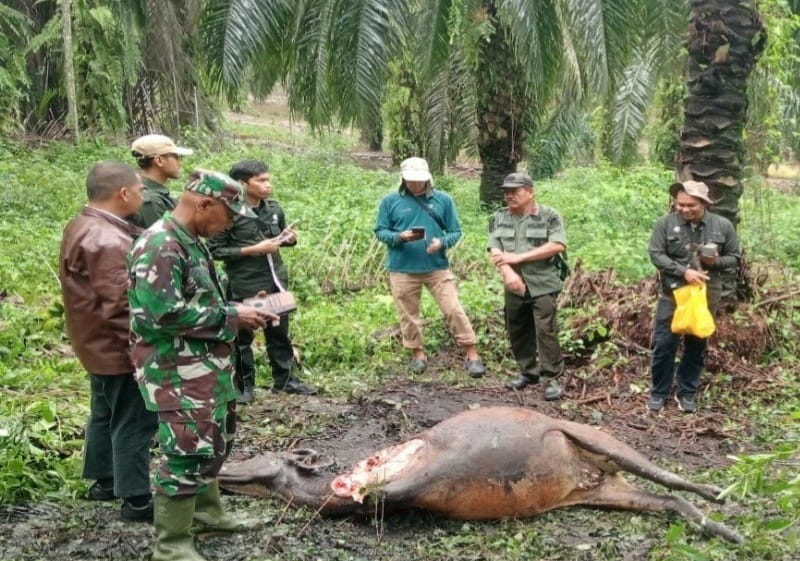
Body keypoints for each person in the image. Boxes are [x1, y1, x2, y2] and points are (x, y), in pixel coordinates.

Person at [128, 169, 274, 561]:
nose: (229, 226)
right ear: (204, 205)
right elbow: (160, 314)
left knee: (213, 442)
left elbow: (197, 300)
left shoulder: (191, 241)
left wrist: (242, 308)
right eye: (228, 217)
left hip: (206, 367)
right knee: (185, 451)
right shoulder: (160, 244)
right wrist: (232, 316)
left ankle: (207, 513)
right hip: (176, 370)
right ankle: (171, 543)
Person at [59, 161, 157, 522]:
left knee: (104, 412)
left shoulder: (82, 224)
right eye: (141, 190)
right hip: (116, 348)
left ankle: (105, 481)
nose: (144, 196)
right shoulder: (109, 240)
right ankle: (137, 499)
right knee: (134, 420)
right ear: (124, 193)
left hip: (94, 344)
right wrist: (142, 352)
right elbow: (121, 306)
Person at [208, 160, 317, 401]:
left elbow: (278, 238)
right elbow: (214, 250)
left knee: (279, 332)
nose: (268, 185)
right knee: (242, 338)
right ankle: (244, 387)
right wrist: (253, 250)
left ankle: (285, 380)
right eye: (261, 181)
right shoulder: (229, 212)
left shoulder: (273, 209)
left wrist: (288, 239)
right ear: (242, 183)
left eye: (268, 179)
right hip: (245, 283)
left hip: (275, 280)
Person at [374, 157, 485, 377]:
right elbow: (380, 231)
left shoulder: (444, 200)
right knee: (408, 315)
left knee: (453, 309)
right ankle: (418, 355)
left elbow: (455, 231)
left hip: (437, 268)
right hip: (402, 268)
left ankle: (472, 354)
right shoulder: (390, 201)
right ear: (403, 179)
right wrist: (399, 237)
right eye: (411, 180)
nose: (415, 184)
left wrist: (441, 243)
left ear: (428, 178)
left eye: (419, 180)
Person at [647, 180, 741, 413]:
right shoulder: (665, 224)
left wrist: (714, 262)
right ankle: (659, 392)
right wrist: (684, 272)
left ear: (704, 203)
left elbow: (734, 257)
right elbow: (656, 254)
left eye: (691, 205)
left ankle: (687, 393)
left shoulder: (723, 226)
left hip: (705, 296)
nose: (684, 209)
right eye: (680, 204)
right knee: (664, 344)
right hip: (673, 294)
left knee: (697, 345)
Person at [488, 172, 567, 401]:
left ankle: (551, 377)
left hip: (542, 281)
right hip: (514, 282)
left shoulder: (549, 215)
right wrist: (507, 272)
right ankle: (528, 372)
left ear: (530, 192)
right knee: (517, 327)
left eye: (515, 191)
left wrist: (519, 258)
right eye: (506, 191)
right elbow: (494, 248)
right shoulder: (498, 217)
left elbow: (557, 245)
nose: (509, 195)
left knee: (546, 330)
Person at [128, 133, 193, 229]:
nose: (180, 163)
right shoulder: (151, 200)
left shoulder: (153, 193)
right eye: (176, 157)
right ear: (159, 160)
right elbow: (161, 236)